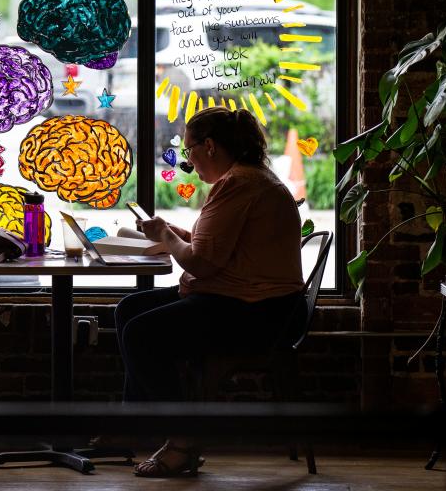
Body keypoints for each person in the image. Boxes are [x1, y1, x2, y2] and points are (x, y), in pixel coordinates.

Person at [115, 106, 306, 477]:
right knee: (129, 309)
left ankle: (182, 442)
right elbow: (220, 247)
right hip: (251, 302)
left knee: (141, 334)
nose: (189, 160)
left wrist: (166, 237)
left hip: (259, 314)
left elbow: (201, 264)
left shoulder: (239, 184)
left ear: (211, 146)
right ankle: (129, 428)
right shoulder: (250, 179)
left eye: (190, 150)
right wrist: (174, 232)